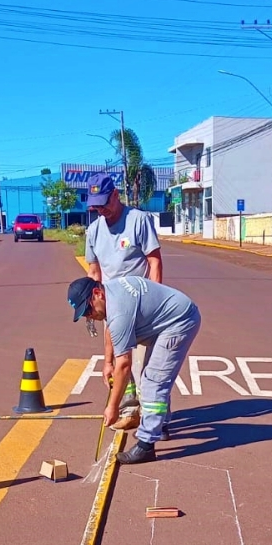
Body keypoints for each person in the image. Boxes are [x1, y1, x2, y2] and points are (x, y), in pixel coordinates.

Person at [68, 274, 201, 465]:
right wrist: (107, 363)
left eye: (87, 310)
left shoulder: (119, 311)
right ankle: (159, 425)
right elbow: (110, 330)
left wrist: (112, 407)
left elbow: (124, 365)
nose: (89, 316)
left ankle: (146, 445)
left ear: (97, 293)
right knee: (153, 375)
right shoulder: (110, 295)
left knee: (153, 382)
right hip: (167, 320)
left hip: (179, 322)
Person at [84, 172, 163, 430]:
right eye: (95, 205)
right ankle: (130, 410)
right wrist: (92, 310)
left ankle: (158, 423)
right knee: (118, 364)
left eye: (104, 203)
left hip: (141, 307)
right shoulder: (93, 231)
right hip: (113, 307)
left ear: (116, 195)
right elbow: (94, 274)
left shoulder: (138, 220)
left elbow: (153, 260)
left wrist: (155, 298)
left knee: (146, 371)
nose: (101, 209)